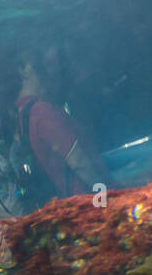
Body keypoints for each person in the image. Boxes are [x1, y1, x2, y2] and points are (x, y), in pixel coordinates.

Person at [11, 48, 108, 199]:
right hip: (87, 198)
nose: (42, 67)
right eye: (33, 62)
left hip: (69, 200)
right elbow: (78, 161)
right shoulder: (41, 111)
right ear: (22, 71)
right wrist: (104, 192)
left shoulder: (22, 114)